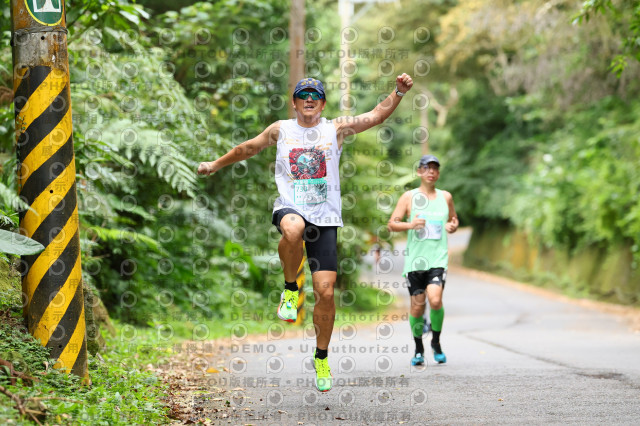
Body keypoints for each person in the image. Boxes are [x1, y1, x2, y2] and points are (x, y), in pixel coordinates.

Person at [198, 74, 414, 391]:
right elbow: (249, 148)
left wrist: (398, 92)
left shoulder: (335, 129)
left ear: (323, 103)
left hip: (325, 219)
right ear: (295, 103)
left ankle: (321, 357)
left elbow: (375, 115)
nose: (309, 99)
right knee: (293, 228)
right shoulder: (281, 129)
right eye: (303, 95)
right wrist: (215, 164)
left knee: (325, 293)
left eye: (315, 95)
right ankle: (290, 289)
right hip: (290, 207)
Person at [387, 154, 458, 365]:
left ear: (438, 173)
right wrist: (410, 225)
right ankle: (418, 348)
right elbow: (392, 224)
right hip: (415, 262)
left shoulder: (446, 197)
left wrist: (452, 226)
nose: (431, 172)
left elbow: (453, 220)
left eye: (435, 168)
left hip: (438, 259)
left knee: (435, 300)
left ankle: (436, 342)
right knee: (417, 307)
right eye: (427, 168)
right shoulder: (409, 197)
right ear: (419, 172)